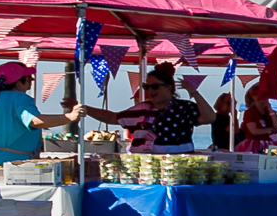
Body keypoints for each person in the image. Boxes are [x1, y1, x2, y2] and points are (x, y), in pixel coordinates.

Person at [76, 62, 214, 153]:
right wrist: (85, 108)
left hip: (176, 169)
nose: (149, 90)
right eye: (146, 87)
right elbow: (112, 118)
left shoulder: (184, 107)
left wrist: (194, 92)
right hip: (144, 168)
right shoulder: (140, 109)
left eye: (155, 86)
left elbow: (210, 118)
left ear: (168, 88)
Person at [0, 62, 66, 163]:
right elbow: (36, 121)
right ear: (19, 84)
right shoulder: (19, 98)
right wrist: (69, 117)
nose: (32, 81)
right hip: (15, 163)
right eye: (29, 78)